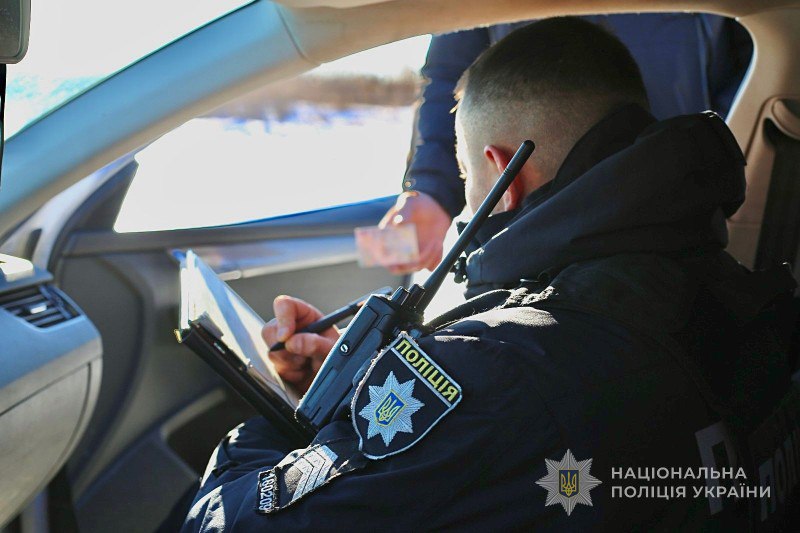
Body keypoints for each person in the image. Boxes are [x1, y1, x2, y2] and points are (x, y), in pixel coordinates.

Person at [182, 18, 798, 531]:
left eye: (464, 179)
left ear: (503, 173)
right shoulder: (737, 293)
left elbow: (231, 524)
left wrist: (281, 423)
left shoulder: (502, 368)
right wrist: (352, 392)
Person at [380, 14, 753, 274]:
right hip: (678, 205)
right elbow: (451, 69)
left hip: (678, 194)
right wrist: (433, 188)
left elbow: (753, 70)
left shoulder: (497, 346)